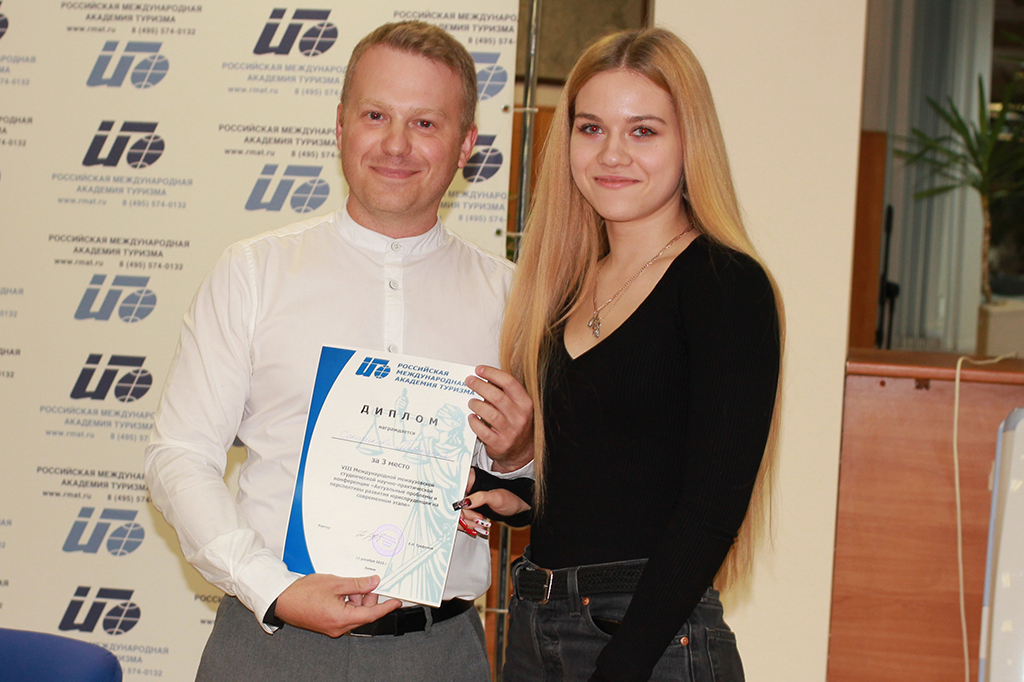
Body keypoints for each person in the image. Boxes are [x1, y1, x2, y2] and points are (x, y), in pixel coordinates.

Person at [144, 21, 533, 682]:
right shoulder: (254, 273)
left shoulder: (515, 299)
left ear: (467, 143)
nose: (396, 144)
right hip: (268, 645)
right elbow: (179, 455)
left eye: (425, 123)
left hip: (437, 653)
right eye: (376, 115)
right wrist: (271, 586)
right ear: (340, 125)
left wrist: (520, 456)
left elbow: (544, 487)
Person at [463, 27, 783, 682]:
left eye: (643, 131)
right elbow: (617, 474)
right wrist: (515, 494)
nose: (612, 153)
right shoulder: (562, 289)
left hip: (650, 641)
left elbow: (710, 509)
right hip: (536, 624)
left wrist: (624, 663)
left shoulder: (724, 284)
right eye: (591, 128)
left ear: (689, 141)